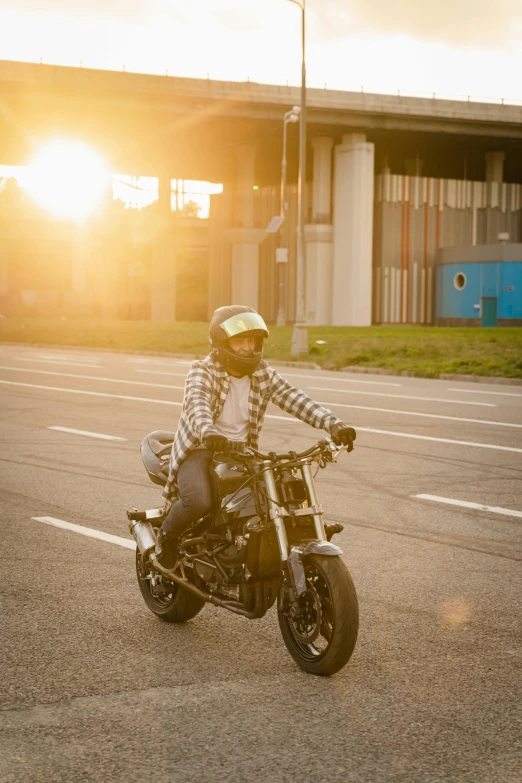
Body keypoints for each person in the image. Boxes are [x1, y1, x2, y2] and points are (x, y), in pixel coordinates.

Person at [155, 305, 356, 564]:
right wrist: (208, 431)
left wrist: (334, 425)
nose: (247, 348)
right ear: (221, 343)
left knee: (275, 497)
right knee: (199, 501)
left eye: (251, 341)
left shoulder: (262, 372)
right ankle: (167, 538)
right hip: (201, 447)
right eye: (240, 342)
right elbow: (197, 404)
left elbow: (295, 398)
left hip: (241, 452)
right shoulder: (203, 371)